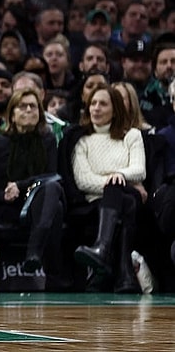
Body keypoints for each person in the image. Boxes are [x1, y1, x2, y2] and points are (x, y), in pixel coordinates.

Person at [0, 89, 67, 288]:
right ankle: (54, 277)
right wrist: (5, 195)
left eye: (33, 106)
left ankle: (34, 252)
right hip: (10, 208)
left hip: (38, 201)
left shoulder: (48, 140)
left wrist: (20, 185)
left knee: (51, 188)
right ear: (11, 114)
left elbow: (52, 175)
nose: (29, 110)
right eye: (22, 106)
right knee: (57, 209)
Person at [72, 86, 146, 293]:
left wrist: (120, 176)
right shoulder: (82, 140)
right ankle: (125, 274)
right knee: (126, 201)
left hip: (122, 194)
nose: (96, 108)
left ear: (116, 109)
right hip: (95, 202)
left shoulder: (131, 135)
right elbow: (83, 180)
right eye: (93, 103)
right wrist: (113, 181)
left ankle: (102, 249)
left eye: (103, 104)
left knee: (121, 194)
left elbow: (139, 170)